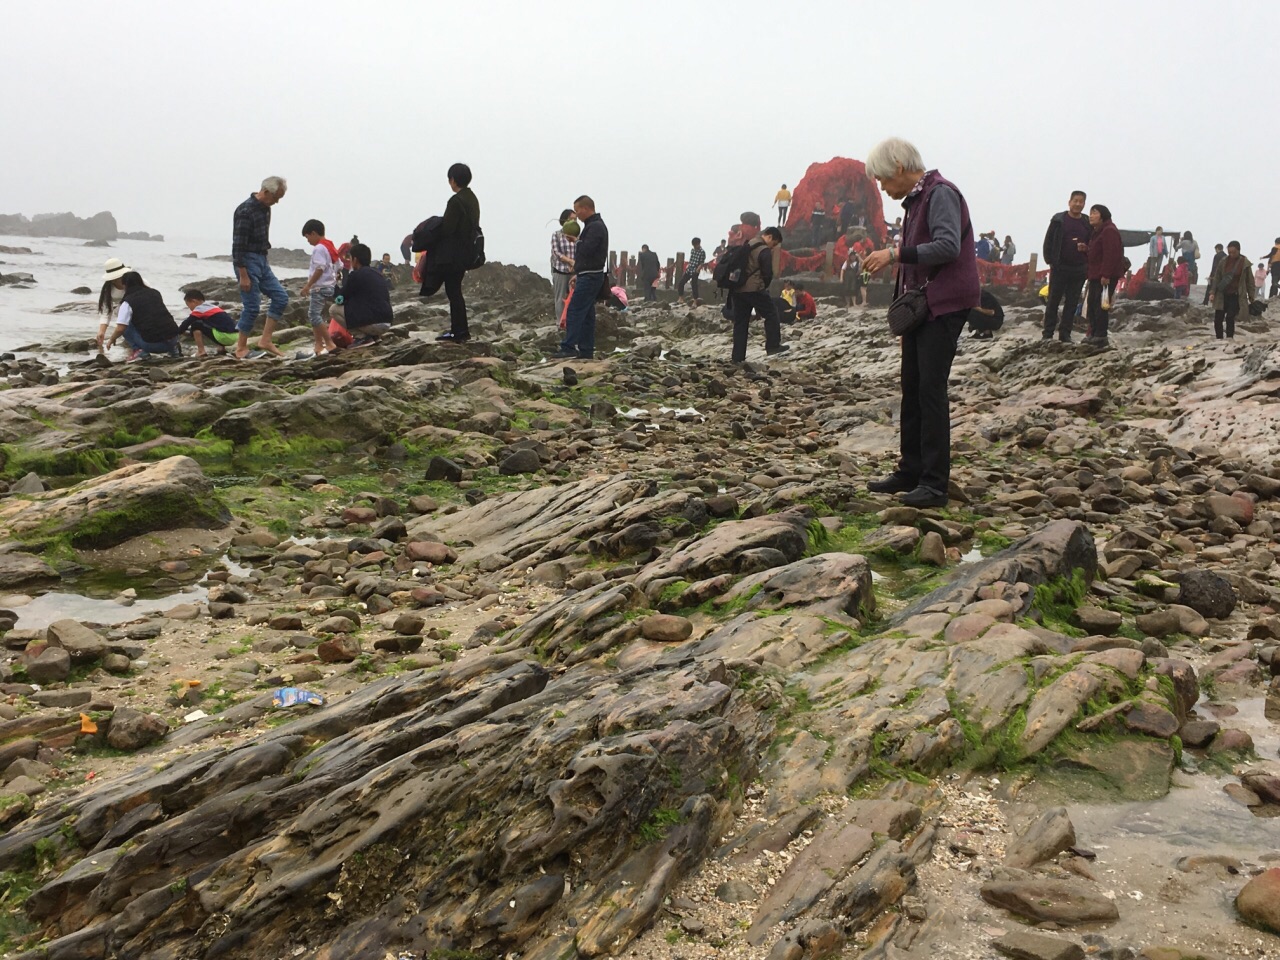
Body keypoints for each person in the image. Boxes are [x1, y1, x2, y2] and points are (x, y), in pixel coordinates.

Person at [862, 137, 979, 509]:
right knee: (912, 387)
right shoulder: (916, 199)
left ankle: (934, 483)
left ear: (898, 166)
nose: (882, 187)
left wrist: (895, 253)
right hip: (921, 309)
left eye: (882, 179)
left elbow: (948, 247)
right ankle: (910, 470)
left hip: (944, 305)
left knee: (930, 390)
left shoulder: (940, 193)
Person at [417, 162, 480, 342]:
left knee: (454, 293)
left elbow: (448, 229)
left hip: (453, 255)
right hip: (466, 252)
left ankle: (458, 332)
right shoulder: (472, 198)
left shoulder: (456, 201)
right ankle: (461, 330)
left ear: (453, 180)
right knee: (456, 291)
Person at [231, 175, 289, 359]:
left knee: (281, 297)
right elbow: (238, 245)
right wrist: (243, 274)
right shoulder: (245, 211)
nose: (277, 202)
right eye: (276, 198)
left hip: (262, 260)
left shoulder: (266, 209)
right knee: (252, 306)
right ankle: (241, 348)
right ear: (265, 192)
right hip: (247, 261)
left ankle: (265, 340)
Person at [556, 195, 608, 360]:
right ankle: (586, 350)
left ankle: (569, 346)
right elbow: (587, 256)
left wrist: (576, 241)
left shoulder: (596, 227)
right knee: (587, 314)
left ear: (586, 209)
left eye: (577, 210)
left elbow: (587, 250)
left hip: (591, 276)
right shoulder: (592, 226)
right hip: (588, 274)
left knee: (575, 310)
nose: (576, 215)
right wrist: (578, 274)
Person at [730, 226, 787, 362]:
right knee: (771, 313)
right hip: (754, 289)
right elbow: (767, 273)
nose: (772, 247)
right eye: (773, 244)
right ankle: (773, 346)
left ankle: (737, 357)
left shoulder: (748, 244)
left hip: (738, 289)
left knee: (741, 323)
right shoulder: (763, 250)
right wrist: (764, 287)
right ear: (769, 237)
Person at [1041, 190, 1091, 342]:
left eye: (1081, 201)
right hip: (1059, 267)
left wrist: (1087, 251)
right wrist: (1050, 260)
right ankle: (1047, 333)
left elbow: (1093, 242)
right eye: (1075, 201)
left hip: (1079, 269)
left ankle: (1065, 333)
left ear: (1084, 204)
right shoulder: (1058, 220)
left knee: (1072, 303)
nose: (1077, 204)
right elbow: (1048, 241)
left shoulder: (1087, 222)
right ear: (1069, 202)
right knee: (1053, 301)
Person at [102, 271, 181, 361]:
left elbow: (120, 328)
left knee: (126, 324)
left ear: (125, 285)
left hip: (152, 346)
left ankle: (140, 352)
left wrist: (112, 339)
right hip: (174, 339)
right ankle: (173, 351)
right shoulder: (155, 293)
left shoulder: (128, 302)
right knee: (159, 318)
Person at [330, 243, 393, 344]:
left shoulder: (356, 275)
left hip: (372, 323)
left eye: (350, 258)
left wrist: (333, 283)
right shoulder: (377, 273)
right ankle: (375, 337)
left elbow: (340, 297)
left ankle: (361, 337)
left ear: (355, 260)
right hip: (387, 321)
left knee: (333, 309)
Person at [1084, 204, 1124, 347]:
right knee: (1093, 304)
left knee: (1101, 305)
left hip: (1105, 276)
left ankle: (1100, 335)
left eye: (1094, 213)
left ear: (1103, 215)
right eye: (1090, 213)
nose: (1091, 216)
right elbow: (1097, 252)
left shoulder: (1109, 231)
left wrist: (1106, 274)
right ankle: (1093, 333)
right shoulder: (1098, 231)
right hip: (1095, 275)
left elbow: (1111, 254)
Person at [299, 219, 340, 356]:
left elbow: (319, 268)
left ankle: (329, 343)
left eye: (307, 237)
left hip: (319, 287)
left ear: (314, 233)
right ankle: (318, 344)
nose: (308, 240)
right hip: (329, 285)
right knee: (317, 315)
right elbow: (339, 265)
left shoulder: (319, 248)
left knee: (314, 315)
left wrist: (308, 285)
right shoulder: (330, 246)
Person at [1207, 240, 1257, 340]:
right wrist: (1212, 292)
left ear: (1239, 251)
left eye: (1233, 252)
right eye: (1229, 252)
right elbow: (1217, 277)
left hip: (1235, 294)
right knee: (1218, 318)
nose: (1231, 254)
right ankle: (1219, 338)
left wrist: (1251, 296)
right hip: (1222, 294)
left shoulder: (1245, 263)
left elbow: (1250, 281)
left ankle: (1229, 337)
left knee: (1230, 317)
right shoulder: (1223, 261)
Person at [176, 289, 239, 357]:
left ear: (193, 301)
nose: (190, 309)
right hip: (234, 337)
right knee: (216, 324)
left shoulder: (199, 309)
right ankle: (221, 349)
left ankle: (201, 351)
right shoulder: (212, 307)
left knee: (196, 324)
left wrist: (178, 332)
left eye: (188, 305)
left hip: (224, 337)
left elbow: (186, 323)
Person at [96, 258, 130, 355]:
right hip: (125, 317)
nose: (118, 281)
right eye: (115, 279)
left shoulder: (139, 282)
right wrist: (102, 332)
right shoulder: (109, 289)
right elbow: (106, 312)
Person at [550, 211, 578, 320]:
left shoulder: (578, 236)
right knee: (560, 298)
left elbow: (581, 251)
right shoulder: (557, 235)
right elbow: (556, 253)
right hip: (560, 271)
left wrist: (576, 264)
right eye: (571, 219)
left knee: (574, 298)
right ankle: (560, 322)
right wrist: (570, 261)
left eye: (575, 219)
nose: (573, 222)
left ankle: (572, 321)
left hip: (574, 272)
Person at [678, 238, 706, 303]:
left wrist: (697, 270)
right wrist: (688, 267)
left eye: (695, 245)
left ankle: (695, 301)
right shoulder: (692, 250)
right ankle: (680, 298)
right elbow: (691, 260)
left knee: (694, 285)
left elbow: (701, 263)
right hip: (689, 269)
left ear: (699, 244)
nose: (695, 247)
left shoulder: (702, 252)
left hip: (695, 270)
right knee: (681, 283)